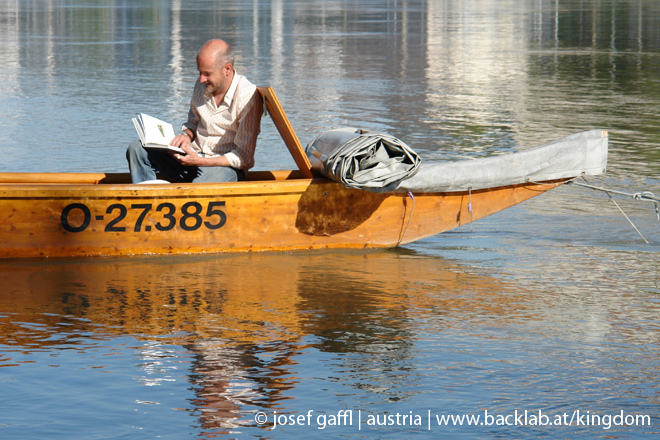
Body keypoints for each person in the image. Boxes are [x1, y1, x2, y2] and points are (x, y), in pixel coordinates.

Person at [127, 39, 262, 183]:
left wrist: (200, 161)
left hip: (223, 167)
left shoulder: (248, 96)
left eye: (207, 73)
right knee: (137, 149)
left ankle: (184, 196)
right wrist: (186, 135)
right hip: (192, 157)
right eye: (199, 72)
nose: (202, 79)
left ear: (227, 69)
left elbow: (244, 158)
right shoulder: (202, 84)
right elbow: (193, 122)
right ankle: (145, 198)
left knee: (199, 186)